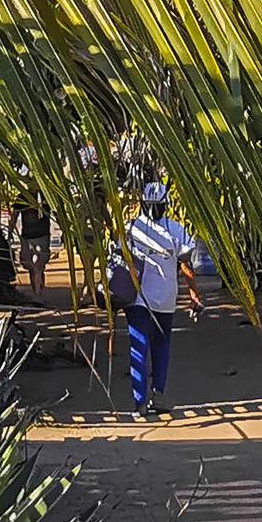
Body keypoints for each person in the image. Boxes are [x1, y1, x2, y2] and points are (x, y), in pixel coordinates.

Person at [115, 179, 201, 419]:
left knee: (139, 347)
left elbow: (120, 259)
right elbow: (187, 265)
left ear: (143, 204)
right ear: (165, 205)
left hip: (137, 299)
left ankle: (140, 402)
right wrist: (194, 294)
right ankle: (158, 394)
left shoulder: (131, 228)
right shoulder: (177, 229)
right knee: (161, 346)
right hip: (165, 299)